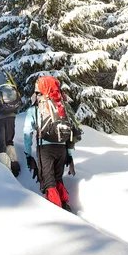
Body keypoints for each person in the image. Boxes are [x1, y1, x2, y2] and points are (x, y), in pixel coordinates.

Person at [23, 76, 77, 211]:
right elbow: (72, 129)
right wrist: (69, 154)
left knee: (48, 182)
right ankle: (65, 205)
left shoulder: (35, 109)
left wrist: (28, 154)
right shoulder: (62, 106)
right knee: (58, 178)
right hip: (62, 147)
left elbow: (27, 132)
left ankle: (56, 211)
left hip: (45, 148)